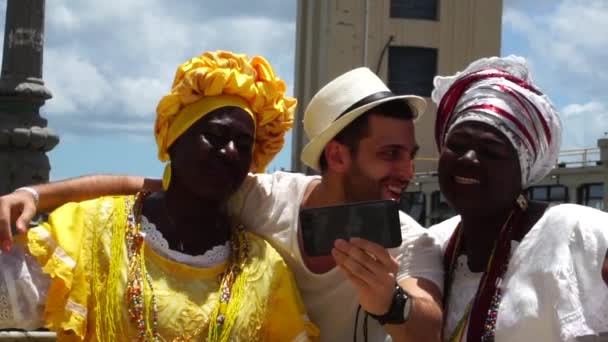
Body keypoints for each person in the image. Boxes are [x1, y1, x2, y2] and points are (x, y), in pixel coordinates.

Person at [0, 67, 444, 341]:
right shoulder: (261, 200)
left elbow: (429, 328)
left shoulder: (408, 240)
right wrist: (33, 195)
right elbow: (143, 185)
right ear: (338, 156)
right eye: (391, 154)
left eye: (408, 153)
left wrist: (391, 301)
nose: (407, 171)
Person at [0, 50, 319, 341]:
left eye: (244, 143)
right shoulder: (94, 230)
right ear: (174, 140)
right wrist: (31, 195)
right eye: (216, 135)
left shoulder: (263, 268)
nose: (230, 152)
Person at [429, 55, 608, 341]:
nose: (468, 158)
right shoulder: (432, 243)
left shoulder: (574, 232)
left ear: (523, 171)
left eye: (491, 150)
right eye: (457, 145)